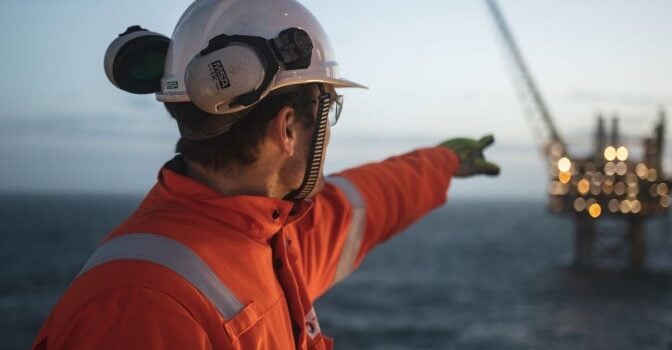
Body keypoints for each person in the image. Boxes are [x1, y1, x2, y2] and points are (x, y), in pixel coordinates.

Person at [33, 0, 499, 349]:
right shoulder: (139, 308)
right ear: (289, 128)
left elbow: (362, 204)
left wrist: (442, 162)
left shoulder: (268, 239)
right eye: (327, 111)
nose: (329, 132)